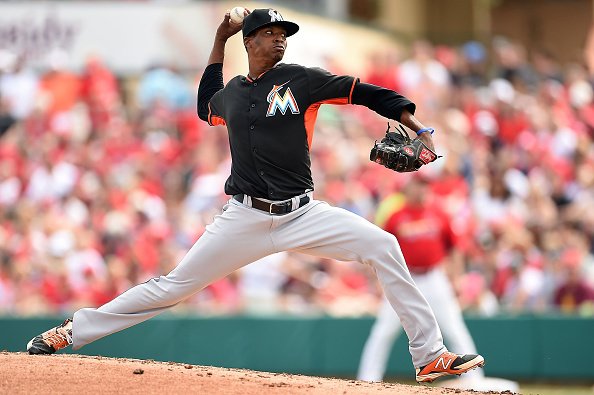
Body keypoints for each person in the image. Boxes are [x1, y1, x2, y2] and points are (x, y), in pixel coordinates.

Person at [27, 8, 484, 384]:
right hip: (243, 219)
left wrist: (412, 120)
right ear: (249, 43)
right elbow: (205, 102)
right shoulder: (232, 96)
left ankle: (429, 355)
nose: (279, 38)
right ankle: (73, 332)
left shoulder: (300, 80)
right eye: (269, 33)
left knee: (383, 245)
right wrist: (217, 40)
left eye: (284, 32)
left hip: (304, 214)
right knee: (172, 286)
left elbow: (363, 91)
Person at [358, 175, 482, 381]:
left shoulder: (439, 214)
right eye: (420, 185)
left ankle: (475, 381)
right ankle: (368, 380)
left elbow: (455, 248)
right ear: (409, 187)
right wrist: (378, 281)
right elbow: (379, 252)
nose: (424, 190)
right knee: (383, 332)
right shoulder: (395, 216)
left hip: (434, 278)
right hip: (404, 279)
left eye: (427, 186)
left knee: (454, 328)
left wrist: (457, 276)